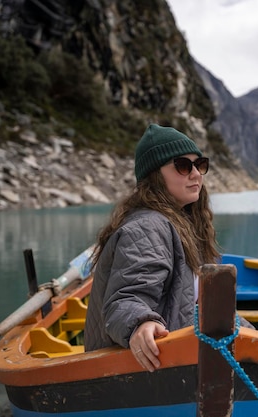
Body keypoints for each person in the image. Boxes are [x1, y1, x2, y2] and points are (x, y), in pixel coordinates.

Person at [84, 123, 218, 372]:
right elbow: (126, 297)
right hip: (138, 369)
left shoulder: (180, 223)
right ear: (155, 176)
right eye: (182, 166)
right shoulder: (148, 227)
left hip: (172, 356)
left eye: (199, 165)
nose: (196, 174)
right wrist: (140, 323)